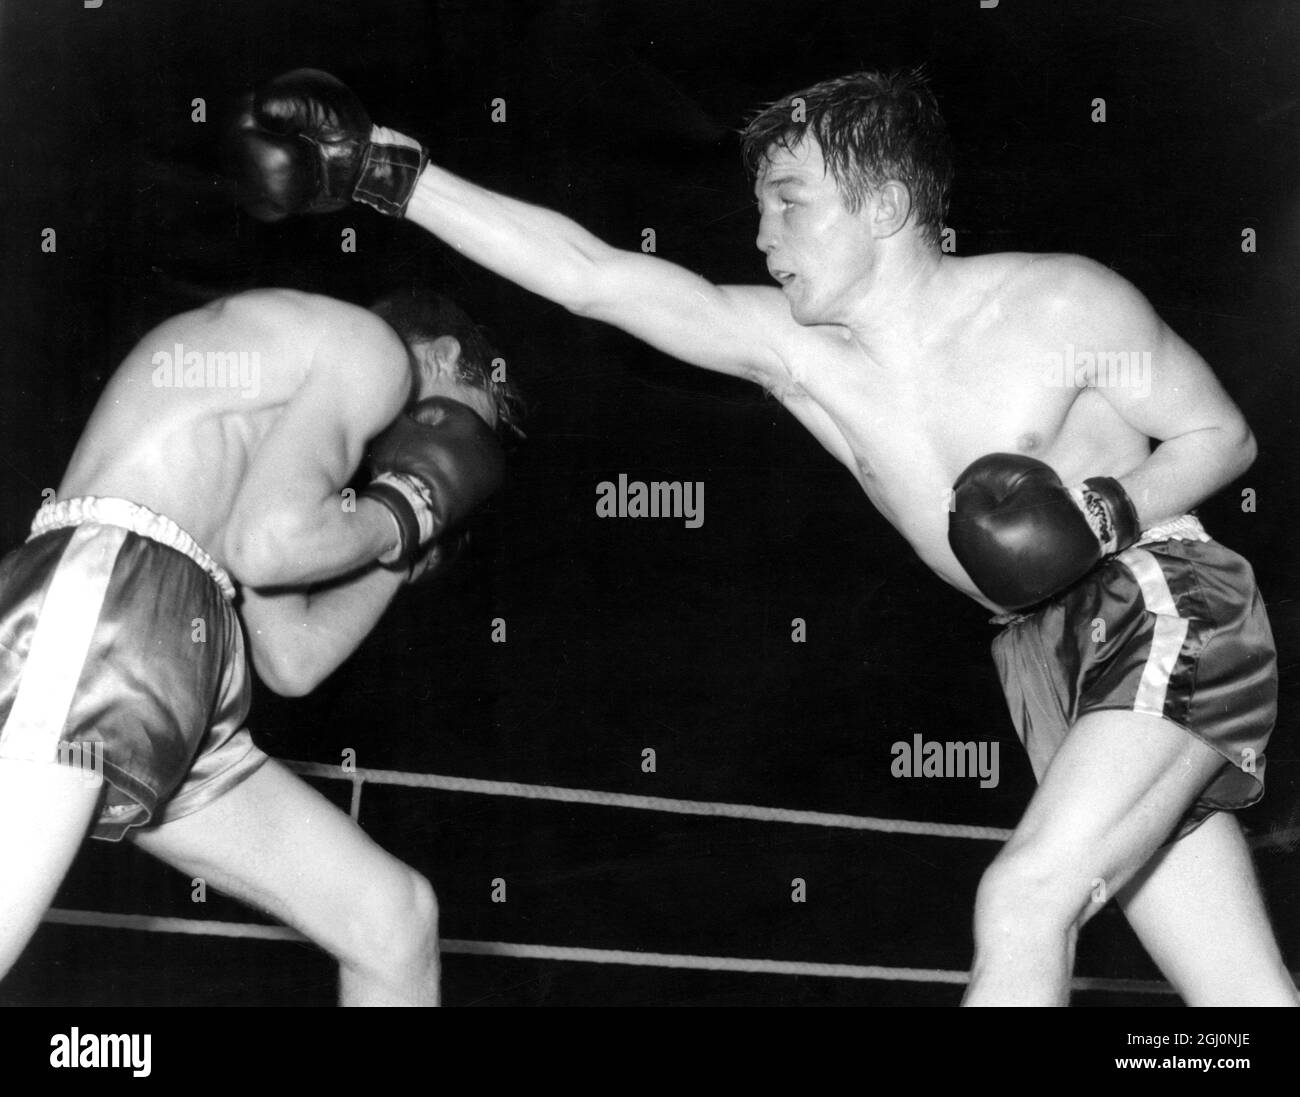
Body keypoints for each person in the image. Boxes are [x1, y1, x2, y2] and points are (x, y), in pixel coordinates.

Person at [231, 66, 1297, 1006]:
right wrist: (390, 176)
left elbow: (1220, 434)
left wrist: (1100, 510)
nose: (761, 237)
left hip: (1157, 601)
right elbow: (592, 275)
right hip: (1038, 659)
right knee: (1240, 996)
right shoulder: (800, 356)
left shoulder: (1062, 301)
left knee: (1024, 899)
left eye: (789, 204)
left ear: (882, 202)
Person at [0, 280, 517, 1005]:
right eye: (458, 427)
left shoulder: (291, 427)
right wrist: (413, 504)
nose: (449, 458)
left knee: (392, 920)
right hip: (108, 603)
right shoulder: (370, 350)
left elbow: (293, 657)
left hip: (185, 657)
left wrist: (397, 549)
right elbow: (271, 544)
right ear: (444, 355)